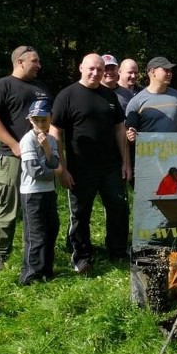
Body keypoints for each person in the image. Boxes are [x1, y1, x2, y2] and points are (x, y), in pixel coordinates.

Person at [50, 53, 131, 273]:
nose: (96, 73)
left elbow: (119, 128)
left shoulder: (109, 96)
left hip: (111, 166)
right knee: (80, 214)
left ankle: (118, 251)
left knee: (118, 209)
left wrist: (125, 163)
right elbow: (55, 130)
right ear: (81, 68)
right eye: (91, 69)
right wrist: (62, 168)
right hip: (80, 168)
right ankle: (82, 257)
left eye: (100, 69)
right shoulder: (67, 96)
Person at [0, 45, 51, 272]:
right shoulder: (3, 85)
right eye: (35, 61)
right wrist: (14, 145)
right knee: (7, 205)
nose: (39, 65)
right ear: (20, 62)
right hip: (12, 157)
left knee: (38, 207)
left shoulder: (41, 88)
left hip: (41, 158)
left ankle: (33, 255)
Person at [18, 99, 63, 284]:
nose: (41, 124)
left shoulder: (51, 140)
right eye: (36, 120)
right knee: (36, 234)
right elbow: (35, 172)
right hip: (32, 193)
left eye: (44, 120)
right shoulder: (27, 140)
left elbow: (53, 163)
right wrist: (55, 171)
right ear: (30, 120)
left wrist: (46, 149)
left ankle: (46, 271)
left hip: (48, 192)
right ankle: (30, 276)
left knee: (51, 229)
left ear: (50, 119)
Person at [125, 57, 177, 139]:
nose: (170, 73)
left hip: (175, 150)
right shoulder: (136, 101)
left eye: (170, 71)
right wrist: (131, 136)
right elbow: (128, 133)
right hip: (149, 150)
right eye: (166, 70)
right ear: (152, 71)